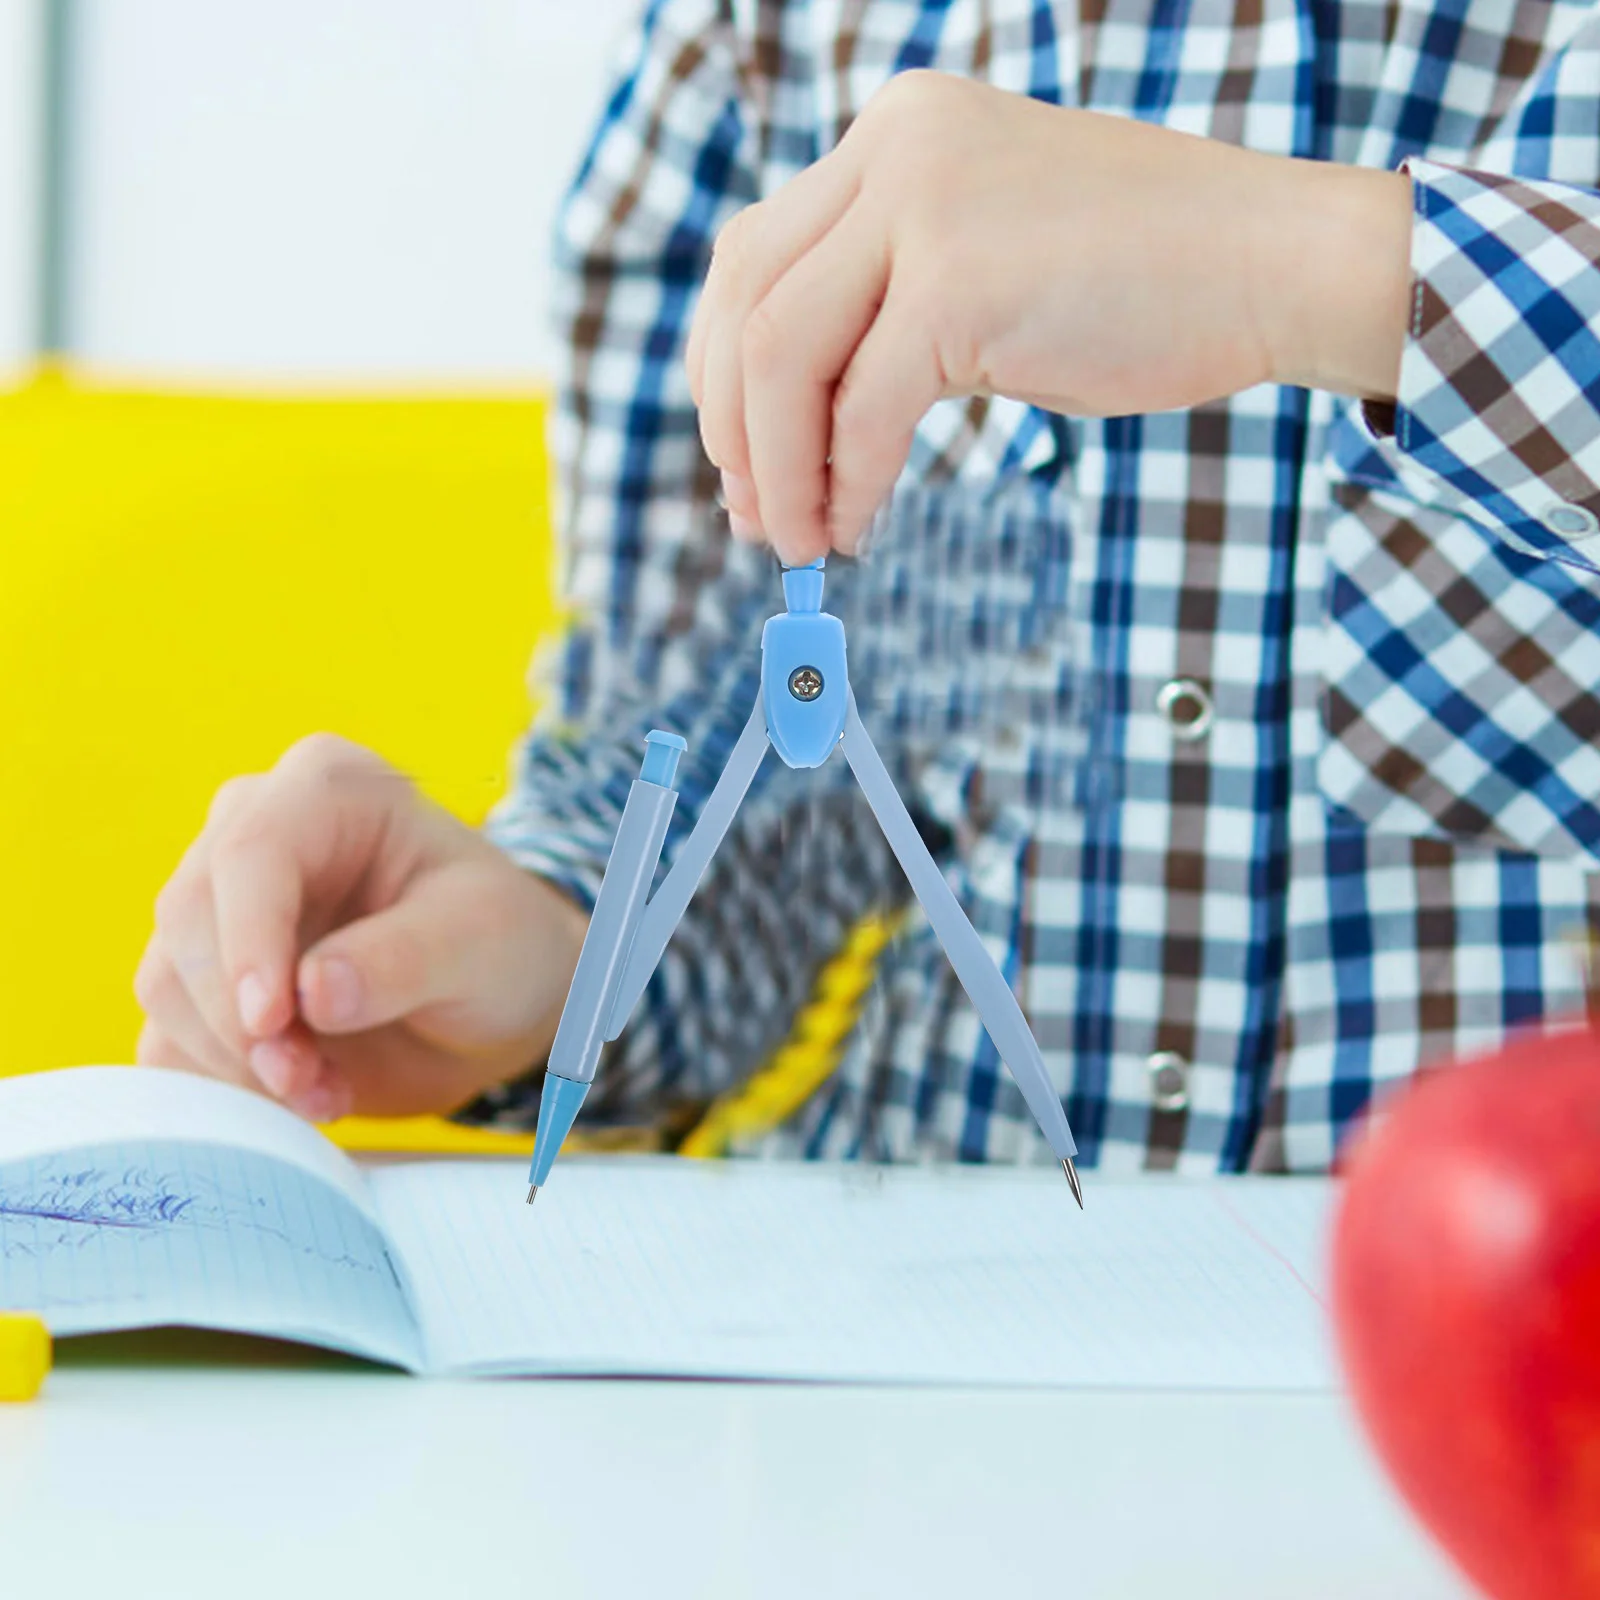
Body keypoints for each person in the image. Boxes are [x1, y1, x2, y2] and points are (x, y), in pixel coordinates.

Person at [135, 0, 1600, 1175]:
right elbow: (755, 779)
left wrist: (1317, 269)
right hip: (890, 1324)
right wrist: (546, 949)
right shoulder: (758, 33)